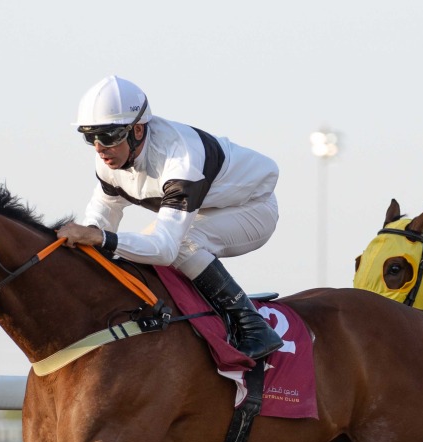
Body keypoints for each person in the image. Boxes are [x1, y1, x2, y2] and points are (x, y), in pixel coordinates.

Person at [56, 75, 283, 361]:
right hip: (204, 210)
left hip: (253, 209)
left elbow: (164, 250)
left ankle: (254, 327)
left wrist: (100, 238)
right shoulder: (109, 159)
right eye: (91, 137)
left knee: (180, 245)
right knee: (133, 249)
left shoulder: (180, 158)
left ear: (137, 130)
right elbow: (102, 216)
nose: (100, 148)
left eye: (109, 136)